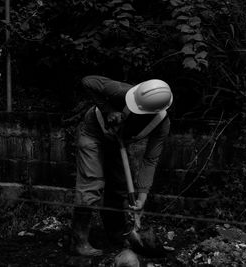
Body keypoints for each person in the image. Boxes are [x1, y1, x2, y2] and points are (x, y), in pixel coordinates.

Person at [70, 75, 173, 256]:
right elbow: (87, 81)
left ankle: (116, 234)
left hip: (117, 143)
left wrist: (142, 198)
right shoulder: (123, 91)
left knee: (119, 186)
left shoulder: (161, 124)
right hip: (93, 134)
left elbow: (150, 160)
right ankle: (78, 242)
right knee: (91, 184)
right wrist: (108, 110)